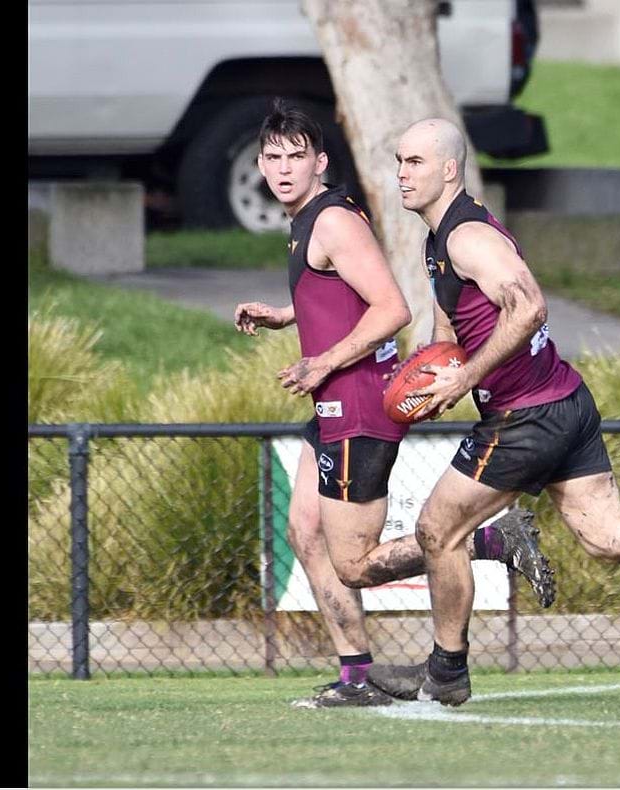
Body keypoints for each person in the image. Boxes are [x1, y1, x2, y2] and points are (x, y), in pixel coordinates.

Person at [369, 117, 620, 706]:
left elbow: (531, 307)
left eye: (413, 163)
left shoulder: (467, 237)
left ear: (448, 169)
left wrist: (467, 376)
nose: (401, 174)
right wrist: (431, 375)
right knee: (609, 538)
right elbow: (450, 329)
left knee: (437, 530)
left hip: (524, 418)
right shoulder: (438, 241)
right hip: (565, 403)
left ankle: (445, 672)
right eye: (398, 161)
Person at [233, 100, 556, 709]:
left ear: (320, 162)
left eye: (296, 157)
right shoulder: (304, 220)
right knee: (306, 532)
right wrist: (285, 316)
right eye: (272, 158)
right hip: (334, 399)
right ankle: (356, 676)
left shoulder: (331, 220)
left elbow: (392, 309)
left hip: (355, 404)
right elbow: (342, 301)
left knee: (351, 564)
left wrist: (322, 362)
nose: (282, 169)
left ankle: (489, 542)